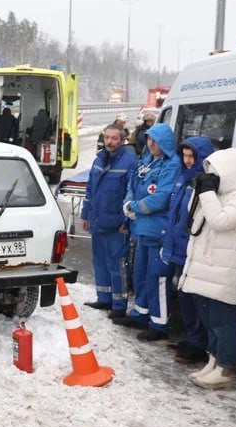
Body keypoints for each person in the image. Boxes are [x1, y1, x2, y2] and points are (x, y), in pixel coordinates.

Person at [179, 147, 236, 390]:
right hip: (210, 267)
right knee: (208, 317)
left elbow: (220, 221)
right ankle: (213, 361)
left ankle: (225, 368)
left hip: (226, 271)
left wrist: (207, 193)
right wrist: (200, 191)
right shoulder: (221, 193)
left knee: (222, 321)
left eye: (215, 172)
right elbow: (194, 218)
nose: (211, 177)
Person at [114, 123, 180, 341]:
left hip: (158, 230)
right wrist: (128, 204)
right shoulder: (147, 161)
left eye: (155, 140)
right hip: (141, 228)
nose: (151, 144)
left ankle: (159, 323)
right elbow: (133, 186)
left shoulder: (171, 165)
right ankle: (140, 313)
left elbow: (162, 197)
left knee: (157, 277)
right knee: (140, 273)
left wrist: (134, 207)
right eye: (149, 139)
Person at [159, 136, 216, 364]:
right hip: (179, 247)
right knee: (183, 298)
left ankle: (198, 343)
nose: (188, 160)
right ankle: (191, 339)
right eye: (185, 155)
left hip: (191, 249)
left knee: (194, 300)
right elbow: (175, 214)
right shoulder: (184, 179)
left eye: (192, 156)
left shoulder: (205, 183)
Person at [81, 123, 138, 317]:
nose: (110, 142)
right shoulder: (99, 159)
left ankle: (119, 304)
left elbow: (131, 193)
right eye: (107, 138)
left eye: (114, 138)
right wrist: (85, 214)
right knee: (100, 262)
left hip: (116, 224)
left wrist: (126, 221)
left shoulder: (130, 162)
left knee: (117, 265)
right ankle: (104, 298)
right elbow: (90, 189)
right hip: (98, 220)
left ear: (122, 140)